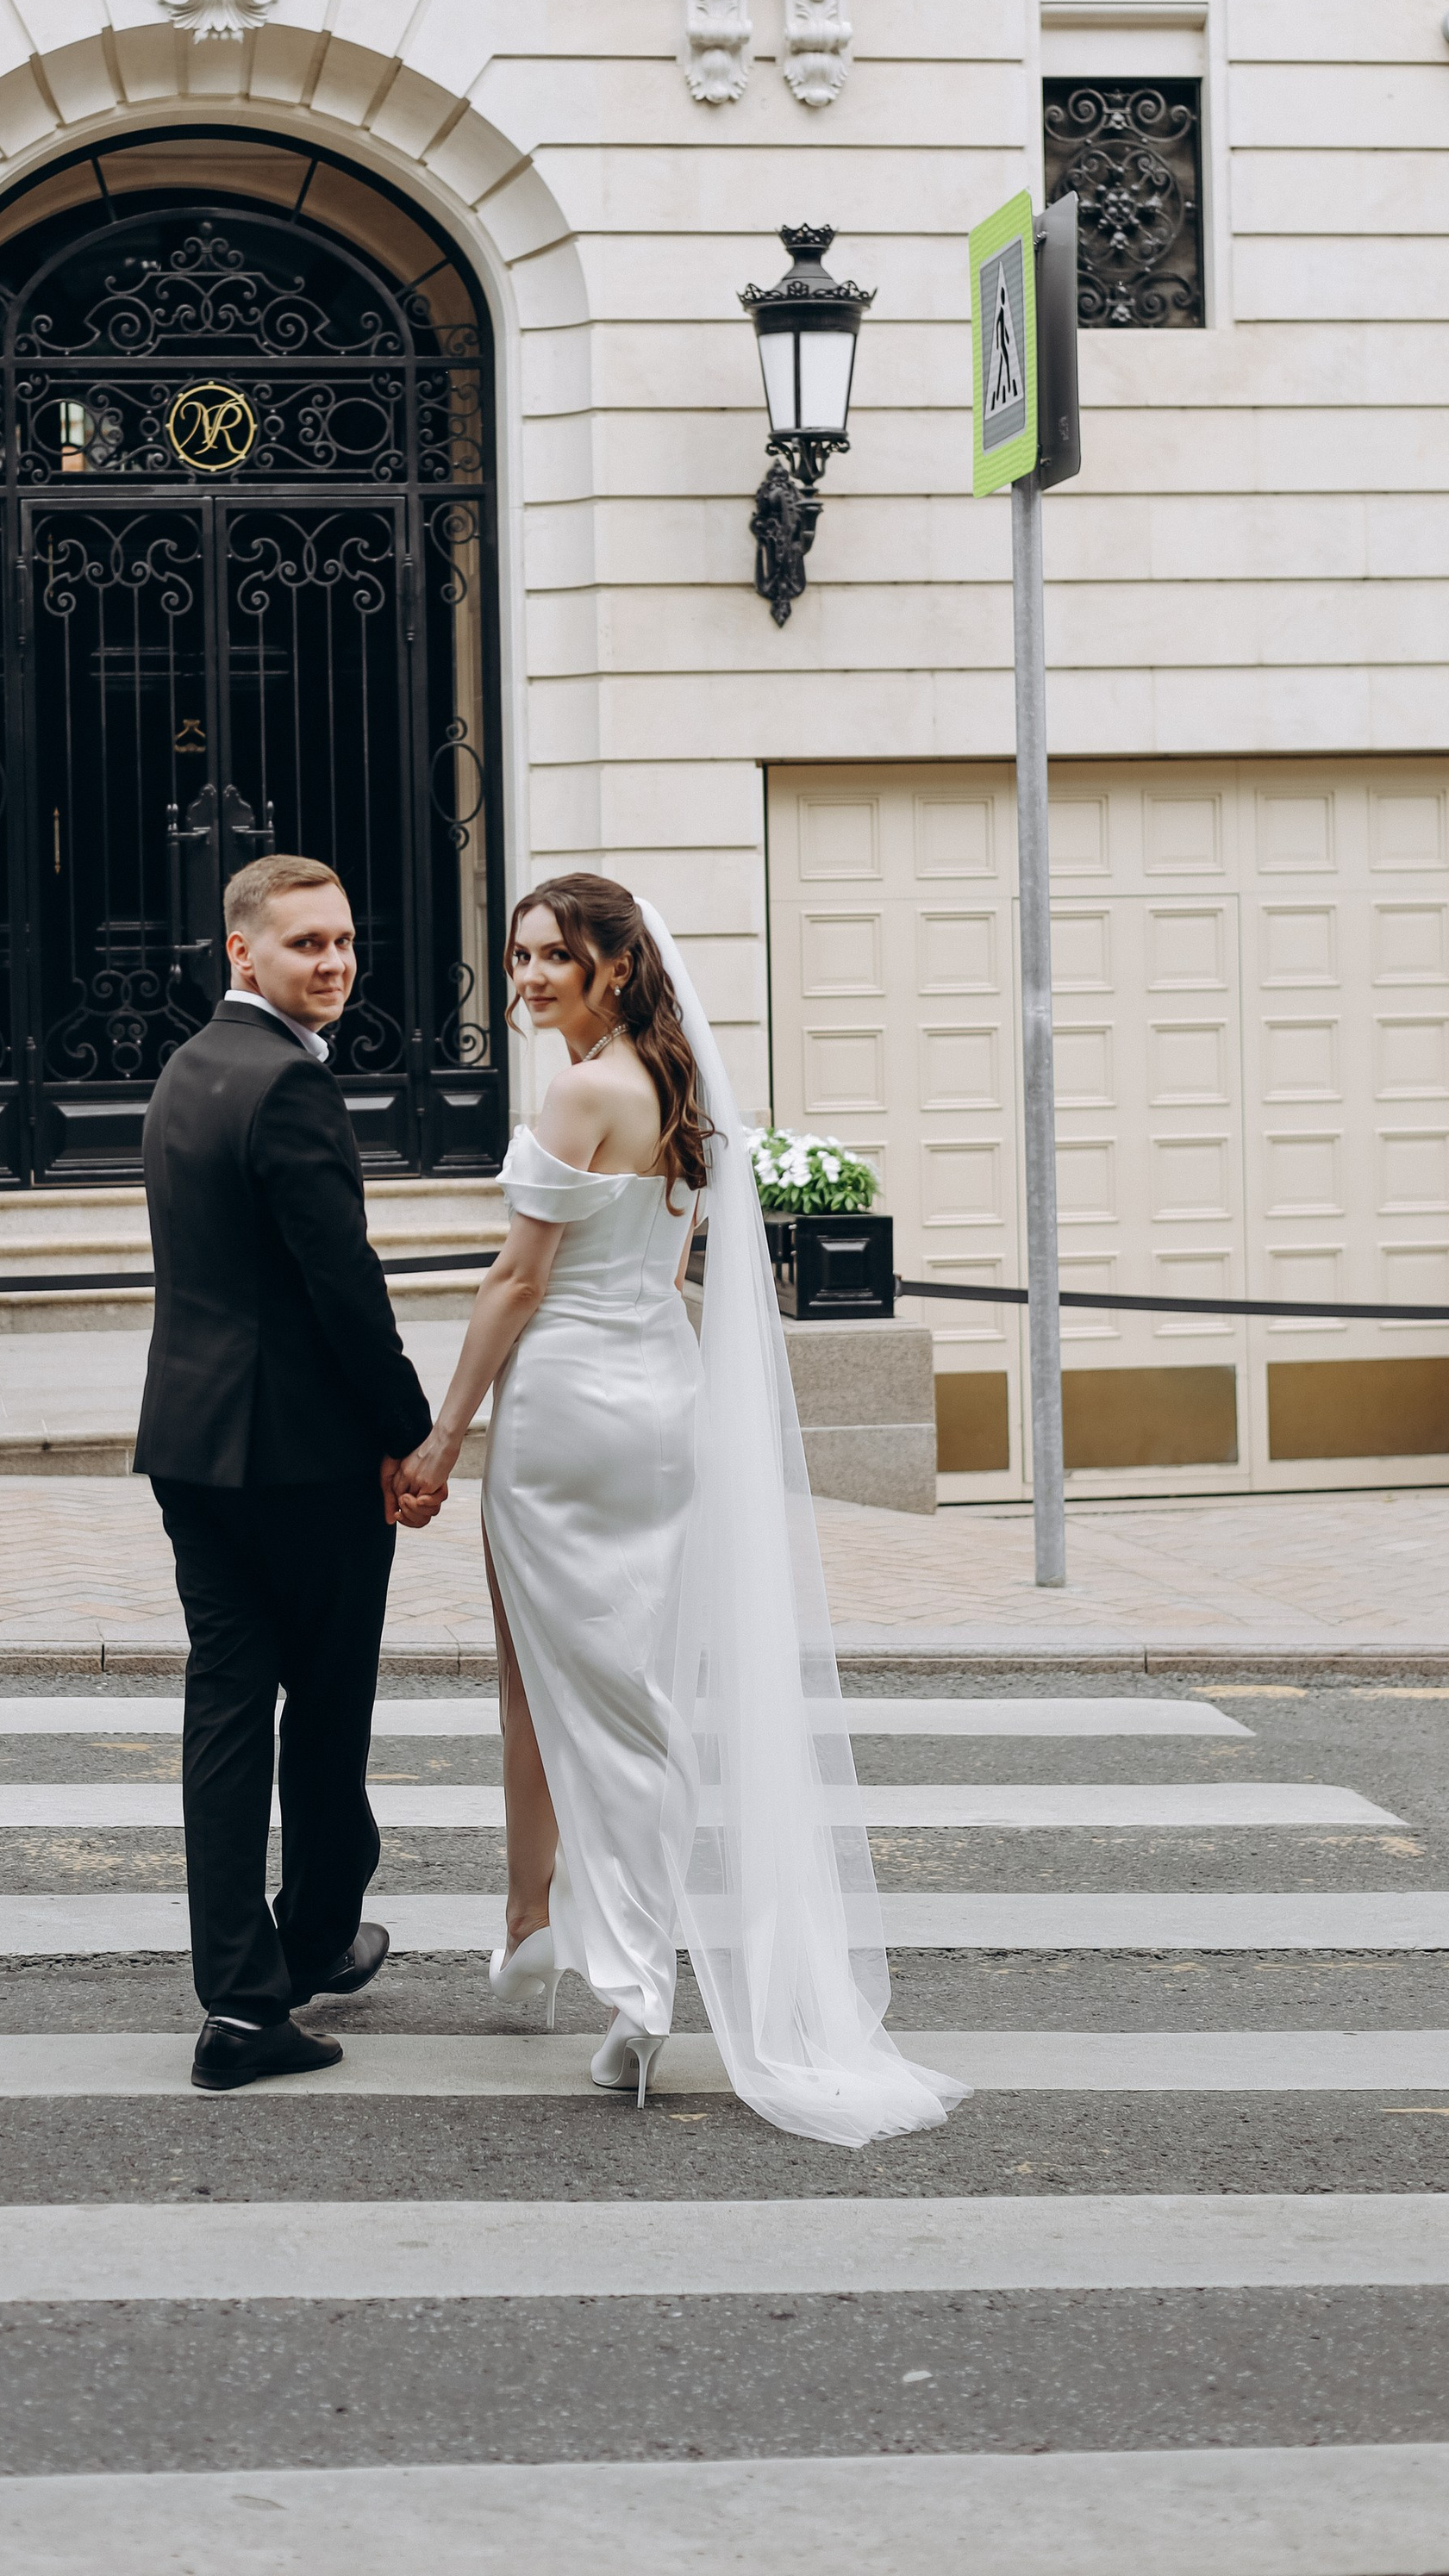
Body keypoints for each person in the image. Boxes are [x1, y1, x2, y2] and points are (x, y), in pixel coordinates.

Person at [396, 874, 967, 2147]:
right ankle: (533, 1928)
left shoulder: (584, 1089)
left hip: (570, 1418)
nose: (531, 977)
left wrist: (444, 1434)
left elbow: (515, 1280)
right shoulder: (674, 1084)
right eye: (519, 957)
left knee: (583, 1694)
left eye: (556, 958)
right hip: (660, 1395)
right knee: (579, 1678)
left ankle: (635, 1981)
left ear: (613, 964)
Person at [136, 852, 442, 2094]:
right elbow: (343, 1292)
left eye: (346, 941)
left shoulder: (187, 1070)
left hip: (191, 1444)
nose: (335, 962)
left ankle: (243, 1995)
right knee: (322, 1714)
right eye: (309, 942)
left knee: (225, 1715)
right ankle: (307, 1944)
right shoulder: (291, 1089)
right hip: (301, 1459)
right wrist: (411, 1431)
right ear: (243, 952)